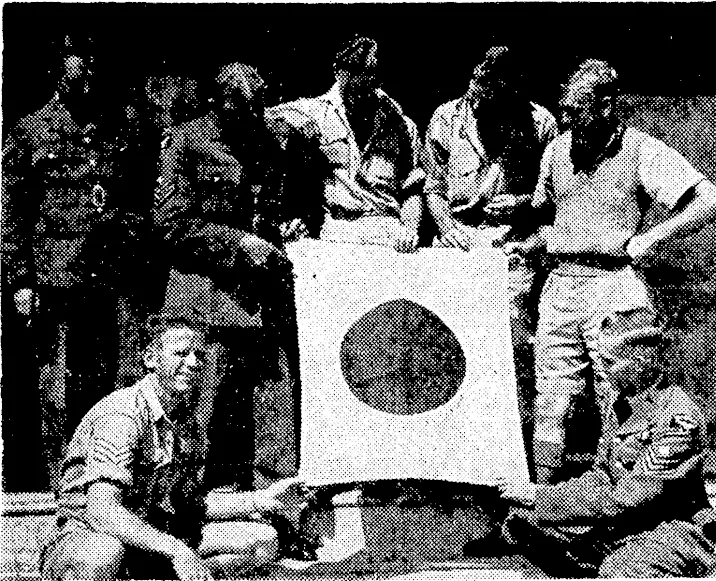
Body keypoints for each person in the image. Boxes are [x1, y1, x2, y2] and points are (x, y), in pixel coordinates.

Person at [514, 59, 716, 483]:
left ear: (606, 105)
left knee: (624, 399)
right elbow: (546, 216)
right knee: (551, 402)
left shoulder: (642, 150)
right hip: (561, 286)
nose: (567, 121)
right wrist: (528, 241)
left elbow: (710, 200)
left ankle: (625, 500)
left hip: (615, 287)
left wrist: (653, 237)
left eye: (577, 111)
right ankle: (544, 501)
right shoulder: (557, 151)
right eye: (564, 112)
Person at [39, 315, 313, 581]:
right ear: (151, 358)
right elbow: (102, 511)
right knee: (103, 553)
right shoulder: (122, 415)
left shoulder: (185, 420)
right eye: (181, 353)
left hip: (149, 535)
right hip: (87, 536)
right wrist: (175, 549)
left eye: (200, 356)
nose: (193, 363)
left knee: (261, 540)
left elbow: (191, 505)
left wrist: (263, 500)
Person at [154, 62, 319, 489]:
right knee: (203, 425)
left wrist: (294, 223)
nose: (249, 120)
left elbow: (296, 201)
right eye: (240, 112)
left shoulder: (274, 141)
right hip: (208, 303)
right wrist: (240, 244)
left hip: (263, 303)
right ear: (219, 103)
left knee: (268, 424)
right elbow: (170, 225)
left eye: (256, 110)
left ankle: (270, 506)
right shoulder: (186, 141)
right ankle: (189, 510)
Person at [1, 35, 142, 489]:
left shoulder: (113, 128)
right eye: (80, 61)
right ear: (60, 67)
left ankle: (96, 480)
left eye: (95, 63)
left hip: (104, 278)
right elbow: (10, 211)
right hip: (54, 279)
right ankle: (58, 486)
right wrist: (20, 279)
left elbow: (127, 199)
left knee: (103, 384)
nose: (89, 72)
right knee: (57, 389)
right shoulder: (31, 131)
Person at [497, 309, 716, 578]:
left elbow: (626, 498)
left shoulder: (678, 419)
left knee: (620, 570)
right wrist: (540, 496)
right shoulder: (619, 405)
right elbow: (600, 477)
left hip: (675, 530)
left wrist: (540, 497)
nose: (600, 368)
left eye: (608, 361)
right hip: (627, 523)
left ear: (639, 362)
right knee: (521, 524)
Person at [423, 46, 558, 474]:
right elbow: (432, 190)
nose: (481, 105)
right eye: (477, 95)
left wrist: (521, 203)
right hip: (457, 247)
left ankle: (512, 459)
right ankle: (450, 459)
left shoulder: (540, 123)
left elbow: (554, 197)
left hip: (511, 250)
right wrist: (450, 229)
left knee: (514, 353)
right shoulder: (446, 117)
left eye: (493, 99)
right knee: (446, 350)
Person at [268, 35, 424, 251]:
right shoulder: (316, 112)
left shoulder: (402, 126)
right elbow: (262, 116)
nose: (361, 82)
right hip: (336, 231)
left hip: (389, 231)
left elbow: (412, 189)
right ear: (338, 71)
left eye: (369, 74)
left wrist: (410, 229)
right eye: (354, 72)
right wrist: (294, 123)